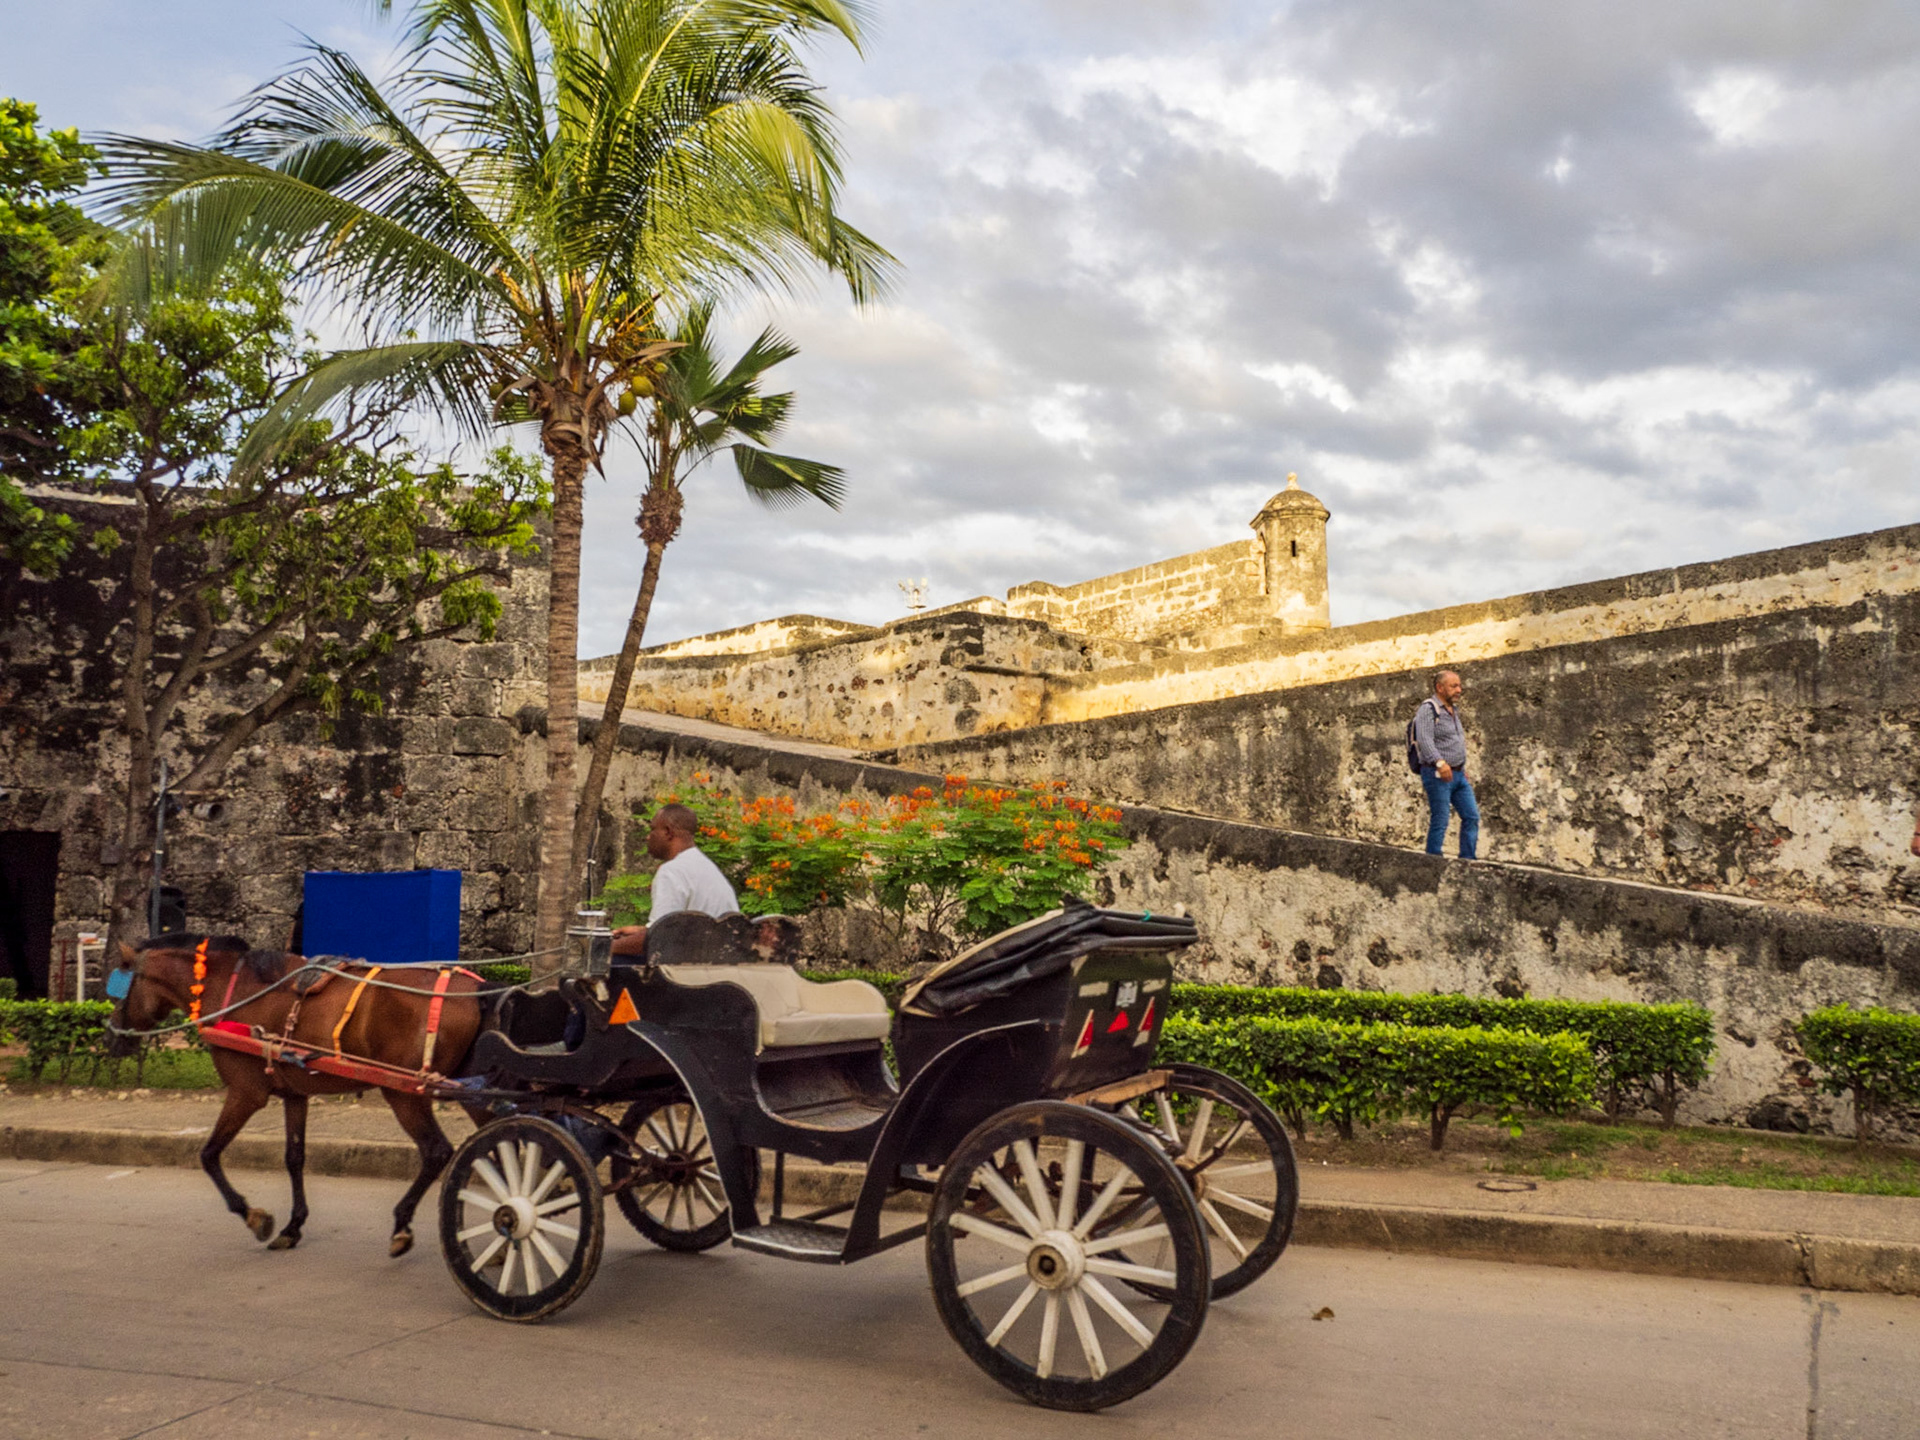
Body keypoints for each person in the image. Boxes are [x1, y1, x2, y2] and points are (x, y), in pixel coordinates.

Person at [610, 803, 740, 957]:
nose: (648, 836)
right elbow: (683, 929)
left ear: (668, 833)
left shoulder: (672, 871)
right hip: (718, 963)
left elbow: (660, 939)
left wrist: (607, 947)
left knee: (608, 960)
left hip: (688, 972)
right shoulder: (706, 866)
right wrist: (642, 931)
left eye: (653, 830)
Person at [1412, 669, 1479, 860]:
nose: (1459, 689)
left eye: (1459, 685)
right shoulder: (1428, 708)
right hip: (1437, 773)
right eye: (1454, 686)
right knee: (1440, 818)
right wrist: (1440, 763)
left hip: (1458, 774)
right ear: (1440, 688)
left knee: (1471, 816)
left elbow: (1454, 741)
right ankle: (1432, 861)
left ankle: (1467, 859)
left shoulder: (1453, 710)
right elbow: (1424, 739)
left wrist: (1461, 768)